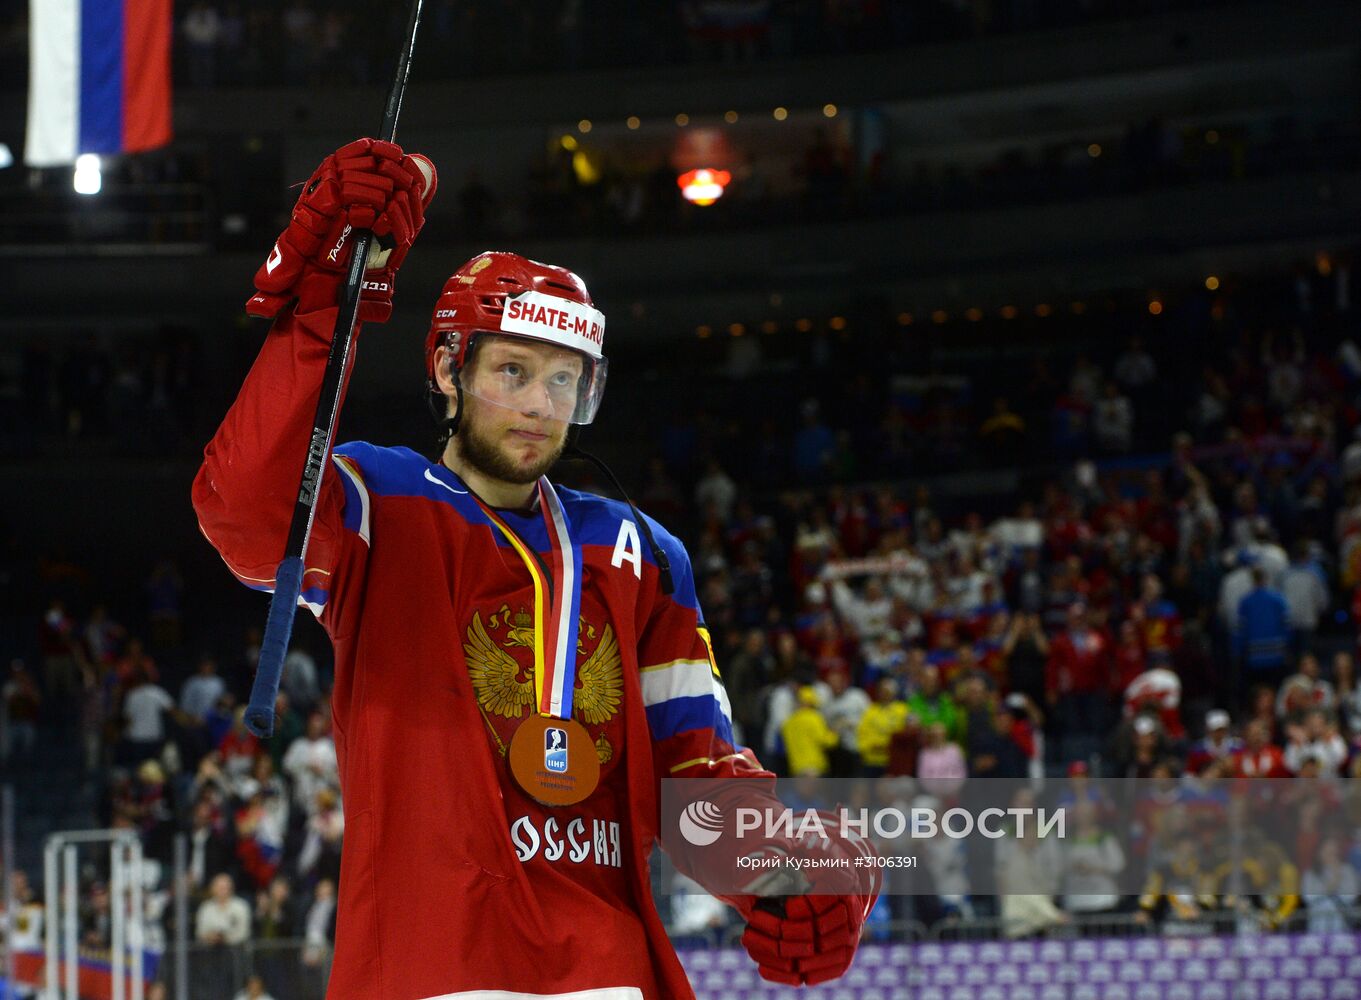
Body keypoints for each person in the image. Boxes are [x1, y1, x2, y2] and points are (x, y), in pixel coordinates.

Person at [193, 139, 873, 997]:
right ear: (447, 368)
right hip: (432, 966)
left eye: (563, 381)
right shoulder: (380, 501)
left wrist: (793, 875)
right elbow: (245, 515)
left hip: (604, 974)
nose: (538, 406)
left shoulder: (640, 553)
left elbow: (692, 778)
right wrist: (327, 302)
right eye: (512, 370)